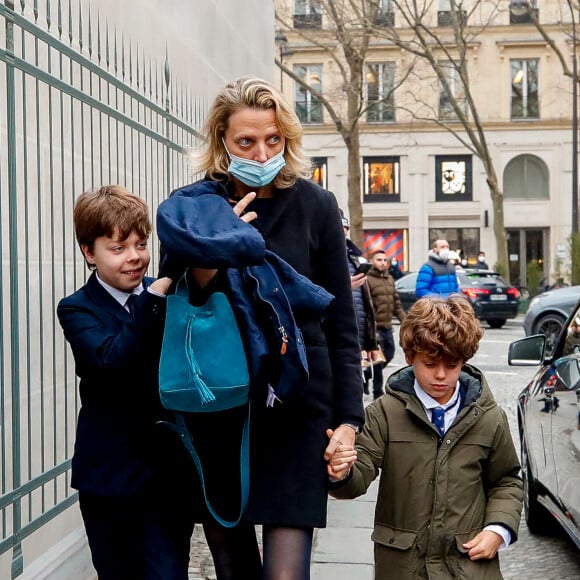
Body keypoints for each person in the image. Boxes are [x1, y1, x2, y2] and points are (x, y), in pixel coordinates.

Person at [155, 76, 364, 579]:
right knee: (232, 567)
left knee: (287, 573)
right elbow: (182, 303)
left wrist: (349, 421)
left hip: (297, 407)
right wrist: (221, 243)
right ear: (222, 142)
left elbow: (341, 324)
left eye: (273, 139)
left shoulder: (316, 205)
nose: (261, 150)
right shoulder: (195, 207)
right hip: (220, 407)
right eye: (246, 141)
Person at [327, 295, 523, 579]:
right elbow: (359, 475)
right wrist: (341, 472)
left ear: (464, 360)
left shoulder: (488, 416)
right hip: (403, 568)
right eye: (430, 364)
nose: (441, 375)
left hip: (469, 567)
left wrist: (497, 530)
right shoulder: (385, 413)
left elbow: (507, 480)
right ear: (409, 357)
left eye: (452, 365)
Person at [56, 186, 197, 579]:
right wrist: (154, 296)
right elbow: (110, 361)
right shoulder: (77, 308)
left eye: (141, 244)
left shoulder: (171, 294)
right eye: (118, 248)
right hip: (110, 479)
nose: (135, 257)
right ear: (89, 252)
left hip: (168, 476)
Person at [341, 210, 380, 395]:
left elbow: (366, 304)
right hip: (336, 335)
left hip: (357, 335)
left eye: (344, 228)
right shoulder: (318, 255)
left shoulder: (355, 258)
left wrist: (371, 342)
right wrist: (341, 285)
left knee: (353, 387)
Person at [366, 250, 406, 399]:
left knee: (389, 354)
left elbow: (396, 303)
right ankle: (378, 391)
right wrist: (371, 326)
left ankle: (366, 374)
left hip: (387, 326)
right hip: (375, 328)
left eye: (385, 260)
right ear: (372, 261)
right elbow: (367, 305)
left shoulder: (390, 279)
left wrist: (405, 320)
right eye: (379, 259)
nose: (383, 262)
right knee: (377, 360)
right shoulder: (367, 280)